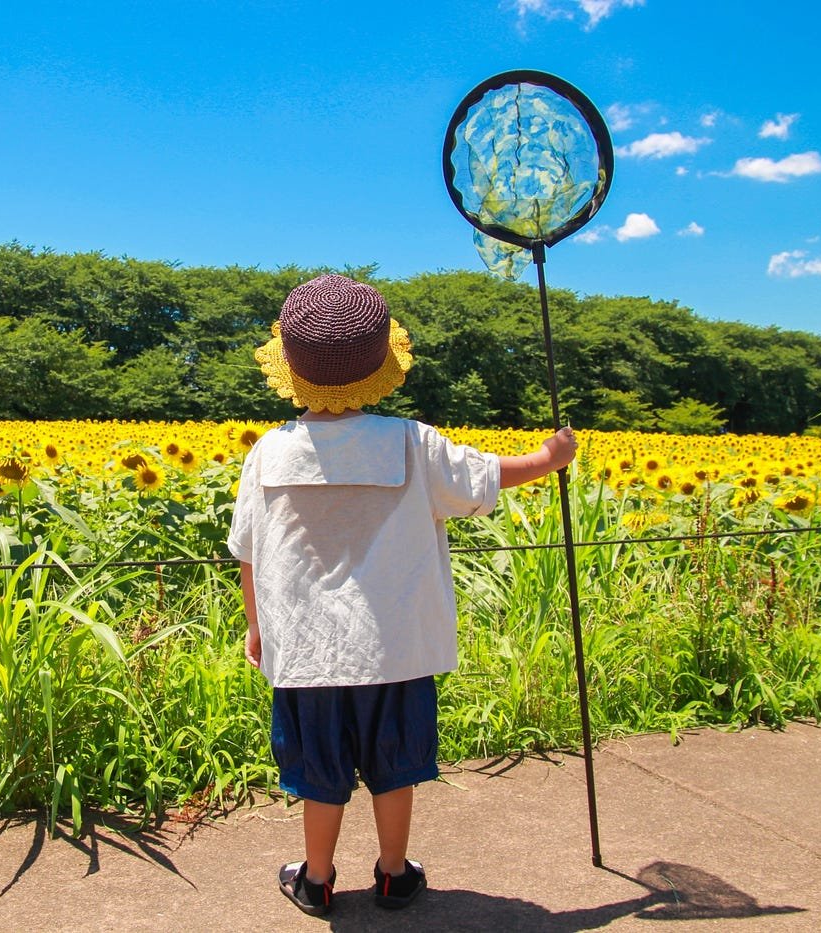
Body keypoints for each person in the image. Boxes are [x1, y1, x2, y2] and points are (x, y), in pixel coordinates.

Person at [227, 274, 577, 916]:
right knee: (395, 763)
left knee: (320, 773)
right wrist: (551, 456)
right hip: (395, 650)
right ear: (383, 364)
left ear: (290, 366)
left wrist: (257, 627)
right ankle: (393, 873)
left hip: (308, 654)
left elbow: (249, 555)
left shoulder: (267, 453)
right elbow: (493, 476)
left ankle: (317, 878)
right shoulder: (413, 443)